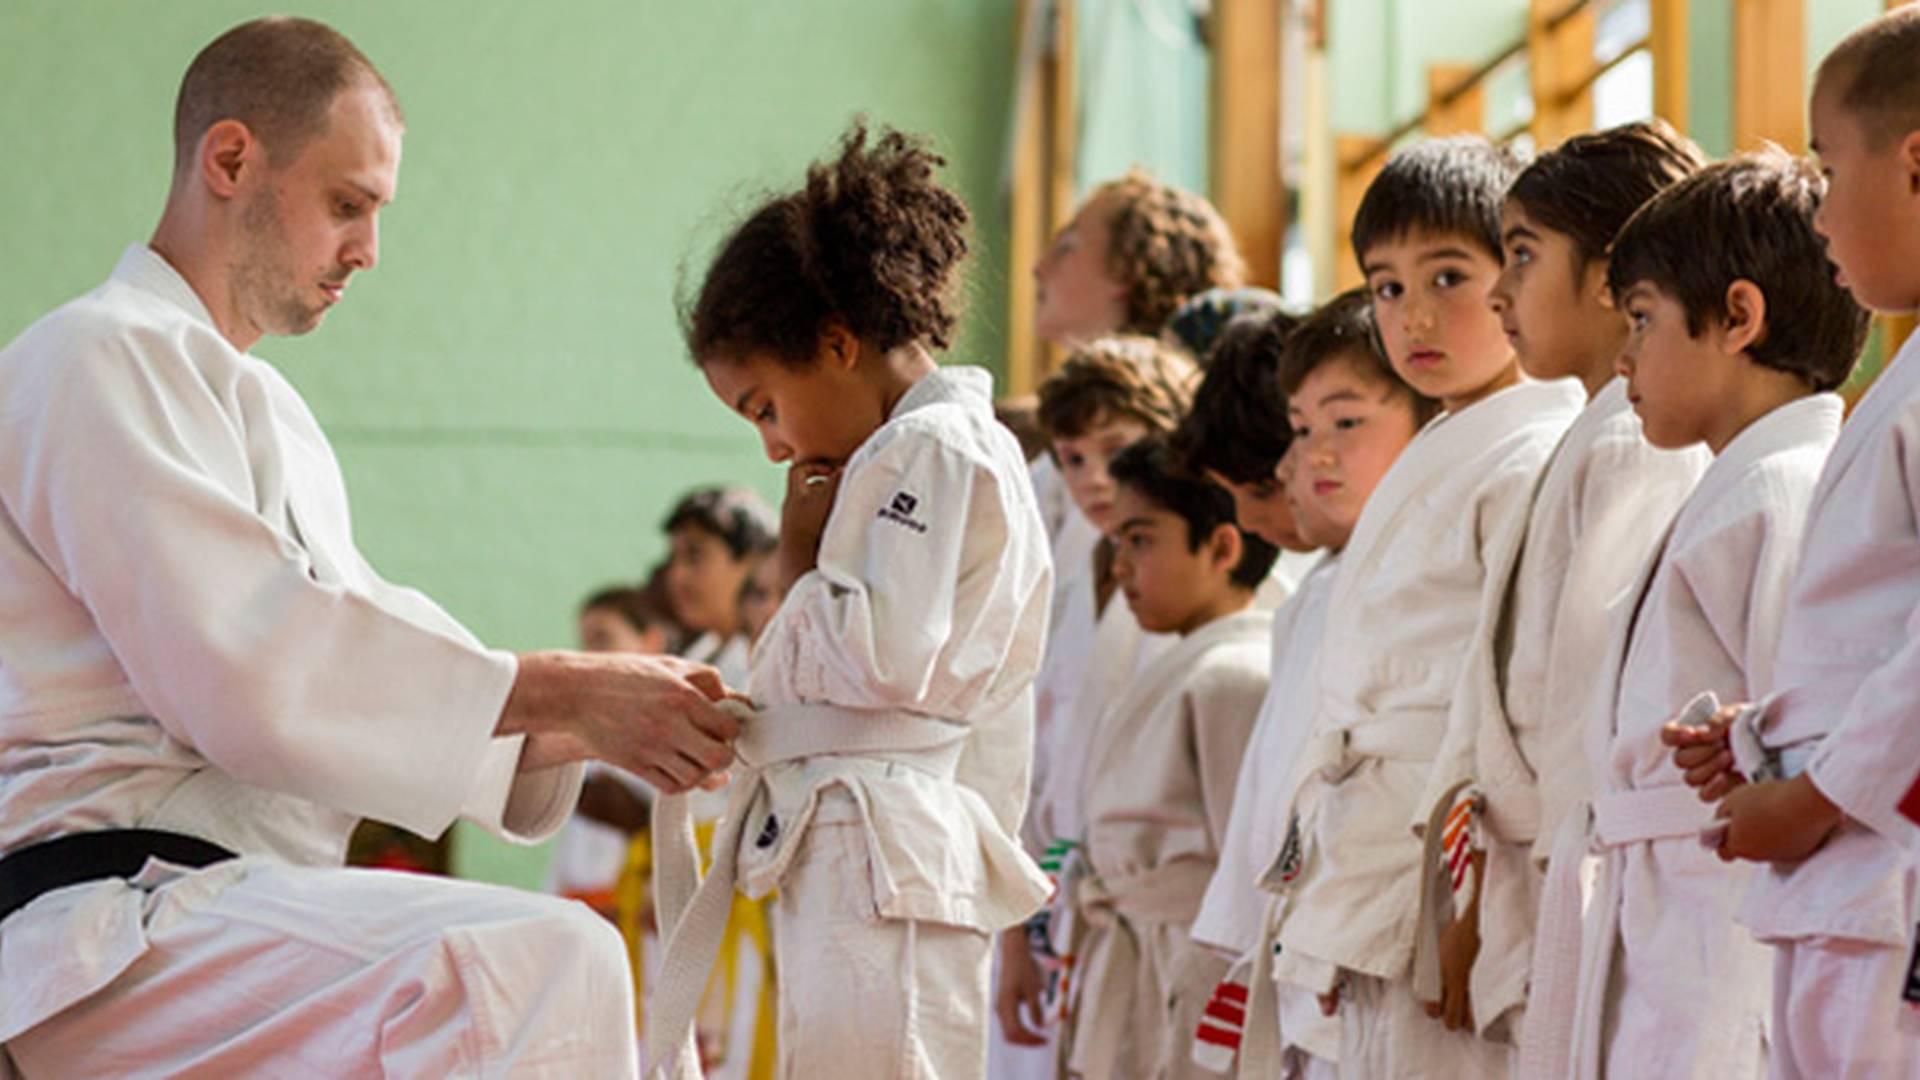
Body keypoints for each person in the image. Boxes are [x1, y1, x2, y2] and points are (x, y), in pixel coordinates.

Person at [0, 18, 737, 1078]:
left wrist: (594, 723)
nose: (368, 251)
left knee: (620, 1022)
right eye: (348, 204)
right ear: (231, 160)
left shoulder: (266, 409)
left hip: (235, 918)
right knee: (535, 964)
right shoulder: (95, 356)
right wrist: (558, 691)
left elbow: (358, 638)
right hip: (109, 927)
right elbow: (250, 663)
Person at [646, 122, 1053, 1080]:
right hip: (872, 841)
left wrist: (796, 554)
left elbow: (885, 656)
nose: (773, 449)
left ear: (835, 345)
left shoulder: (934, 449)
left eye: (763, 408)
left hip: (887, 848)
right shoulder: (911, 451)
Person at [1270, 137, 1584, 1079]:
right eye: (1386, 287)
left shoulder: (1532, 451)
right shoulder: (1449, 446)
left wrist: (1468, 902)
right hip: (1374, 836)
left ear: (1515, 275)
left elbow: (1517, 705)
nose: (1415, 315)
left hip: (1451, 855)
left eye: (1449, 276)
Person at [1411, 121, 1711, 1071]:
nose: (1501, 292)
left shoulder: (1630, 443)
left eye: (1523, 256)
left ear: (1612, 275)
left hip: (1569, 857)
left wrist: (1524, 901)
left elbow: (1589, 710)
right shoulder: (1592, 433)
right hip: (1527, 858)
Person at [1665, 10, 1920, 1074]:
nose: (1818, 211)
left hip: (1879, 866)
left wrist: (1815, 794)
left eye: (1826, 167)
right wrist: (1774, 737)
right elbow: (1876, 633)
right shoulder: (1902, 383)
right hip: (1845, 870)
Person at [1056, 436, 1278, 1079]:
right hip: (1136, 955)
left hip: (1190, 966)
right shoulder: (1186, 667)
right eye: (1117, 543)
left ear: (1221, 547)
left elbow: (1248, 880)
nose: (1117, 567)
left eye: (1140, 540)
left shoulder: (1238, 677)